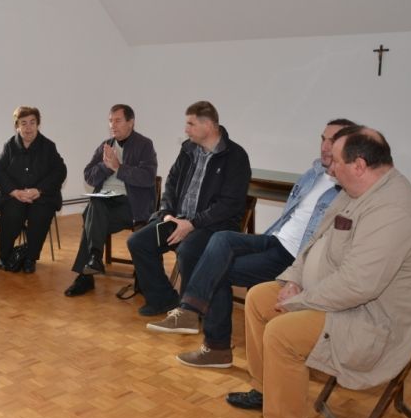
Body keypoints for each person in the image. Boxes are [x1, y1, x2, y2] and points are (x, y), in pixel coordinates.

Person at [230, 126, 411, 418]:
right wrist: (294, 280)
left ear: (359, 165)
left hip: (371, 321)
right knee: (259, 298)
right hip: (334, 300)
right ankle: (267, 389)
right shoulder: (355, 191)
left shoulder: (393, 210)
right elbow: (313, 243)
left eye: (336, 161)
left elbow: (359, 285)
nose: (329, 166)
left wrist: (297, 301)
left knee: (282, 333)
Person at [149, 119, 356, 368]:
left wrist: (298, 277)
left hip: (294, 256)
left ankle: (215, 346)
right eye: (323, 139)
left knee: (217, 268)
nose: (324, 146)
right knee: (221, 239)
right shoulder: (313, 173)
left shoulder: (347, 188)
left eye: (332, 141)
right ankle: (190, 313)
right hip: (275, 239)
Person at [127, 101, 251, 316]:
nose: (186, 129)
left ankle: (190, 311)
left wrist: (192, 224)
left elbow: (229, 205)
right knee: (138, 242)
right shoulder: (188, 149)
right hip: (179, 219)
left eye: (191, 124)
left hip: (213, 225)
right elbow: (172, 182)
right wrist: (167, 213)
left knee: (188, 251)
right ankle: (163, 299)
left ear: (208, 125)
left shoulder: (236, 156)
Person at [63, 104, 157, 297]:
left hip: (131, 207)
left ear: (131, 122)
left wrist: (118, 168)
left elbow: (148, 178)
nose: (113, 125)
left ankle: (87, 273)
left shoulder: (144, 145)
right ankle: (94, 258)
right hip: (105, 204)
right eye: (110, 121)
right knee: (95, 205)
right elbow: (89, 177)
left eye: (118, 120)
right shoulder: (105, 145)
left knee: (91, 218)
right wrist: (105, 167)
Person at [0, 106, 67, 273]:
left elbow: (60, 171)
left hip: (41, 196)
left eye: (32, 122)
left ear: (38, 124)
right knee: (12, 214)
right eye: (23, 123)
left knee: (40, 215)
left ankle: (31, 258)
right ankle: (4, 256)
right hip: (15, 196)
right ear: (17, 126)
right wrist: (14, 191)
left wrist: (39, 190)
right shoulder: (10, 146)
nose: (28, 127)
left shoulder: (48, 146)